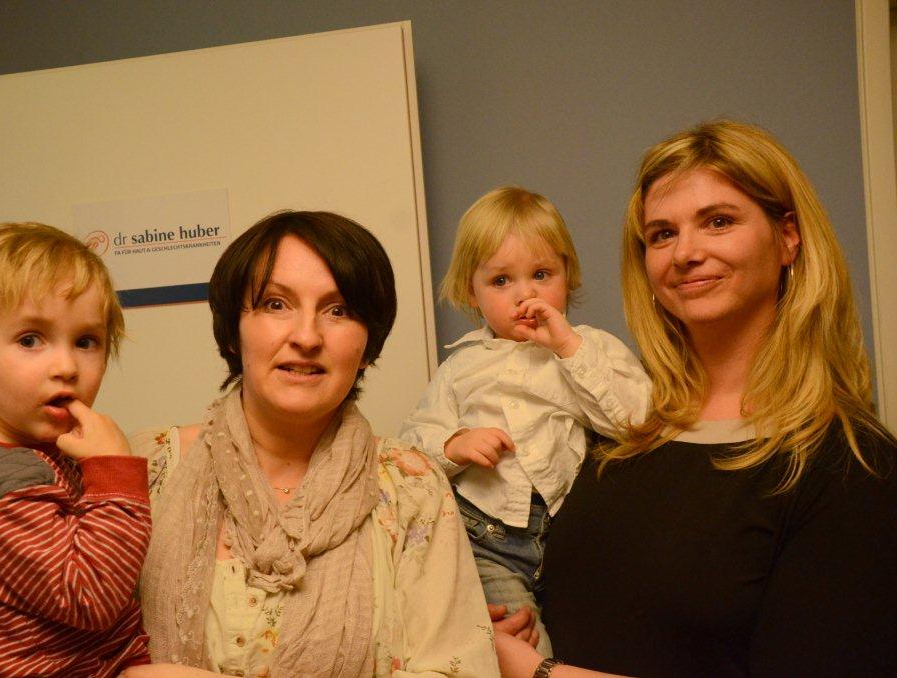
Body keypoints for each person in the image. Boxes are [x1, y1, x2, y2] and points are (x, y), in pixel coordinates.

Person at [495, 120, 897, 677]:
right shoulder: (621, 427)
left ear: (787, 237)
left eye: (718, 221)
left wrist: (536, 674)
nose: (685, 253)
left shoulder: (853, 465)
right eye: (662, 234)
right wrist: (511, 627)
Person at [127, 211, 500, 677]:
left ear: (367, 348)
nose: (306, 337)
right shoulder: (146, 467)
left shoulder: (412, 487)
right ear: (233, 332)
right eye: (275, 304)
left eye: (338, 310)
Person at [399, 186, 651, 655]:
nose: (526, 294)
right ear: (471, 292)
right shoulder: (461, 367)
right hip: (487, 541)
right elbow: (410, 449)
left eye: (541, 274)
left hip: (570, 539)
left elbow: (637, 421)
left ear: (567, 276)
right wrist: (454, 444)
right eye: (501, 281)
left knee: (605, 639)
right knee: (528, 648)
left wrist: (568, 348)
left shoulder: (587, 347)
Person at [0, 223, 151, 677]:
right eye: (30, 340)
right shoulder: (0, 478)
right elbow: (91, 595)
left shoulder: (27, 451)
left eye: (85, 341)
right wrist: (115, 473)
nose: (66, 366)